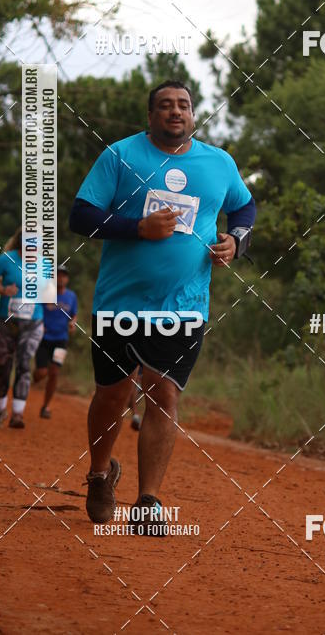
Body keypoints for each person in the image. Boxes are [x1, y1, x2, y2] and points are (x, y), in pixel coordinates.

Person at [69, 80, 256, 529]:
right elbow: (81, 216)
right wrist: (137, 228)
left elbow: (244, 209)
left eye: (184, 105)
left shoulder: (218, 162)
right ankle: (99, 473)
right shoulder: (120, 155)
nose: (176, 112)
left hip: (185, 303)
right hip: (120, 303)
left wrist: (236, 241)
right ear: (151, 116)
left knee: (163, 391)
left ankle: (148, 501)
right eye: (166, 106)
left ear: (194, 114)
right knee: (113, 394)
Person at [0, 227, 45, 428]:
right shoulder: (6, 260)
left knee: (24, 364)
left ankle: (18, 414)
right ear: (22, 242)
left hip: (33, 321)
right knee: (4, 364)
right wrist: (3, 289)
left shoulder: (45, 264)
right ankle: (0, 409)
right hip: (5, 320)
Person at [33, 264, 78, 418]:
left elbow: (74, 315)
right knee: (41, 372)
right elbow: (36, 310)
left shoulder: (71, 296)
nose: (61, 278)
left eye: (64, 275)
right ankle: (33, 378)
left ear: (67, 279)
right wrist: (39, 324)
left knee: (54, 372)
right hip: (43, 339)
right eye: (58, 275)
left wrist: (73, 323)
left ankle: (46, 406)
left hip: (61, 340)